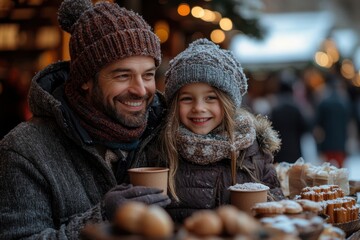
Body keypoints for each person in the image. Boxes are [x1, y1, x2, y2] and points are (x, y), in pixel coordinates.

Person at [0, 0, 171, 239]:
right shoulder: (25, 150)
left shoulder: (165, 132)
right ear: (85, 80)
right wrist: (101, 217)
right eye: (123, 75)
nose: (141, 90)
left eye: (148, 75)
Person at [159, 39, 284, 223]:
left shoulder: (253, 152)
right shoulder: (162, 149)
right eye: (187, 99)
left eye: (210, 98)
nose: (199, 107)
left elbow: (276, 204)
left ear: (228, 103)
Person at [269, 69, 309, 163]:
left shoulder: (275, 109)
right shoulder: (295, 108)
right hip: (294, 148)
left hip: (279, 150)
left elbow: (270, 128)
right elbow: (305, 127)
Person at [314, 73, 352, 168]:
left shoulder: (323, 103)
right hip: (340, 143)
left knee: (325, 173)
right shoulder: (344, 103)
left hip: (327, 144)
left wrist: (319, 147)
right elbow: (349, 124)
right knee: (340, 173)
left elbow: (318, 128)